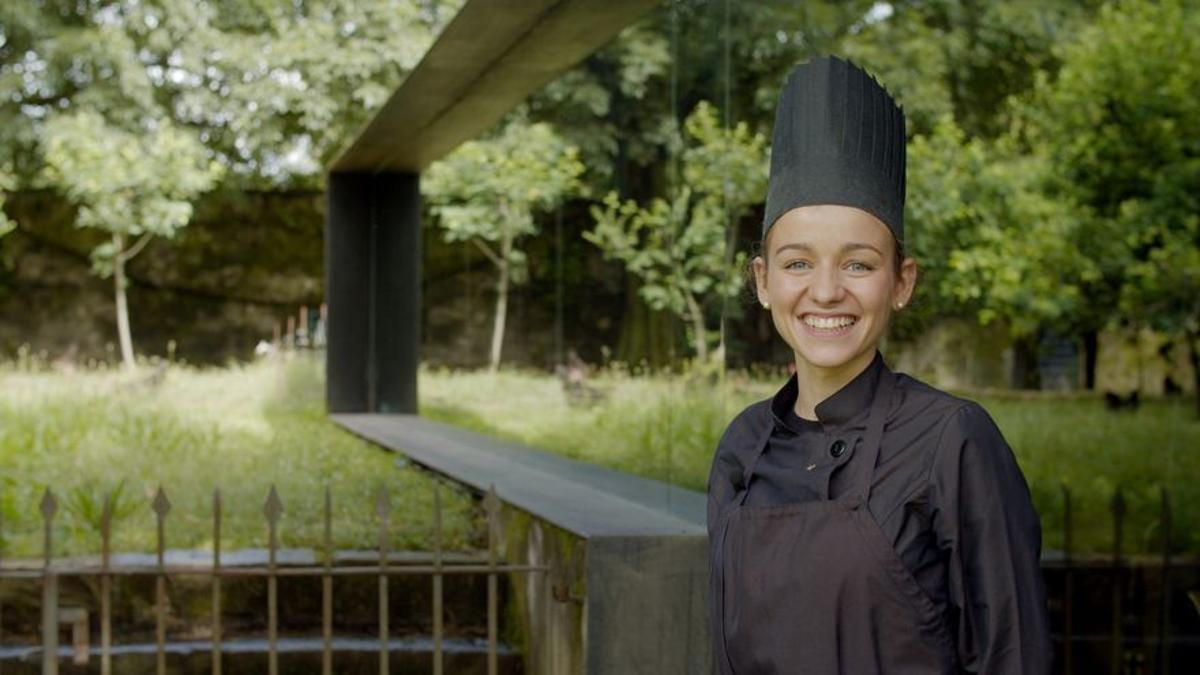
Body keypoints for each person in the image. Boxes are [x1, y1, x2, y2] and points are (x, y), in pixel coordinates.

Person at [707, 56, 1051, 674]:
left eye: (859, 264)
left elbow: (1013, 656)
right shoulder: (742, 447)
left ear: (901, 281)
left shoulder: (953, 440)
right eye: (797, 263)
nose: (827, 291)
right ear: (762, 281)